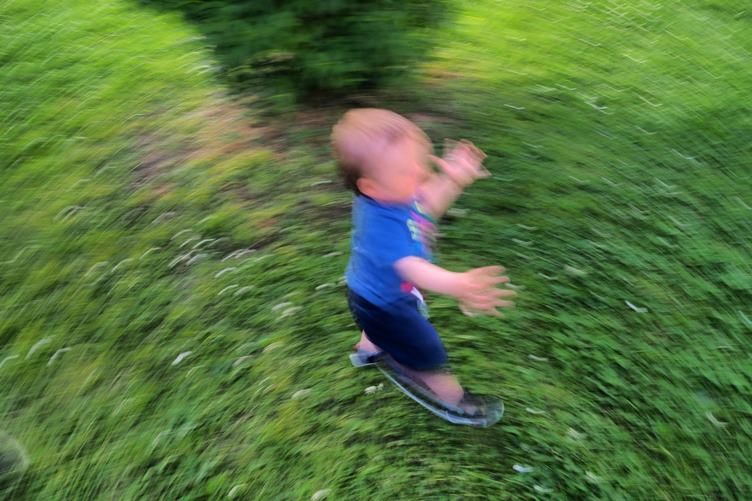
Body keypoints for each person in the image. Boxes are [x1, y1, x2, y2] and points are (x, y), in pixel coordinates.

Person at [331, 108, 515, 422]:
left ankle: (368, 350)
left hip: (368, 293)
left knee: (376, 324)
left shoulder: (392, 193)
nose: (420, 173)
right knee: (426, 351)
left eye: (419, 160)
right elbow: (413, 268)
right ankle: (455, 402)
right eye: (406, 171)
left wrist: (453, 180)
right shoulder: (380, 227)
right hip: (387, 305)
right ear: (371, 187)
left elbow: (425, 207)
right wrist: (459, 284)